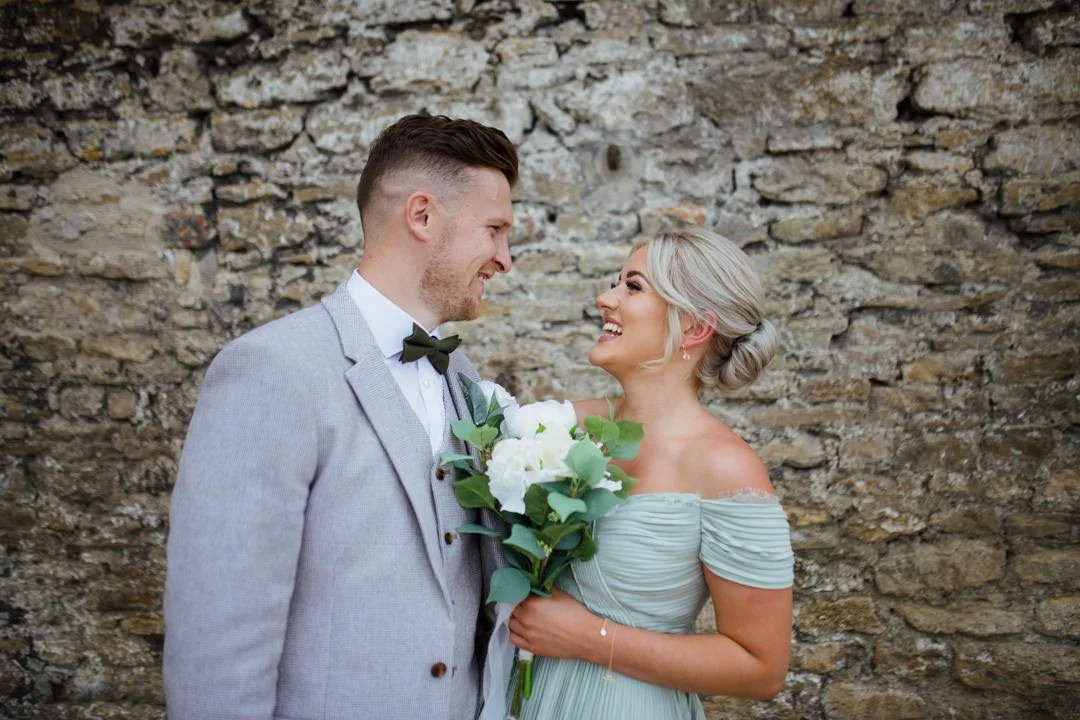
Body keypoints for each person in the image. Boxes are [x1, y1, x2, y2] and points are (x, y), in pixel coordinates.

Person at [163, 114, 518, 720]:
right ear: (423, 216)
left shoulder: (461, 380)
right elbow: (219, 636)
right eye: (495, 230)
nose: (504, 260)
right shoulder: (271, 370)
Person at [505, 228, 794, 719]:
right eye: (616, 282)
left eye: (632, 287)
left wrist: (590, 639)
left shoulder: (725, 467)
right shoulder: (569, 428)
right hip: (529, 701)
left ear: (695, 328)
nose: (605, 298)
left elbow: (761, 667)